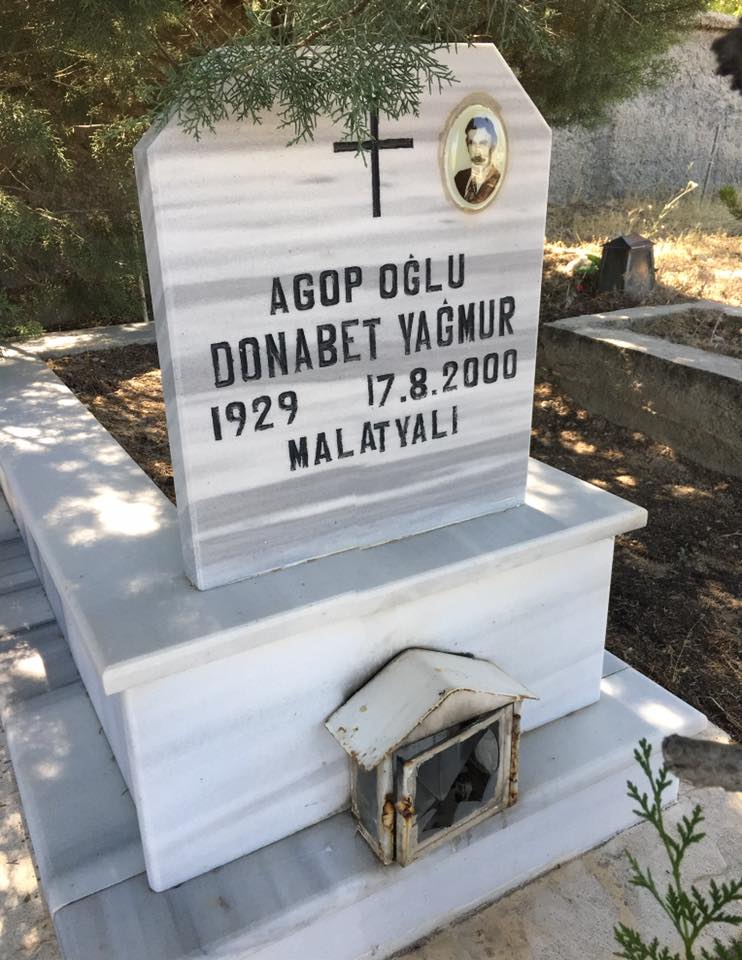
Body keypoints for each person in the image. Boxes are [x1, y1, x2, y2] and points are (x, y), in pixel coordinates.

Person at [454, 116, 501, 205]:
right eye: (472, 143)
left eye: (483, 143)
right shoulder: (459, 178)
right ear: (467, 144)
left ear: (493, 146)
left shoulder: (499, 182)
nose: (477, 150)